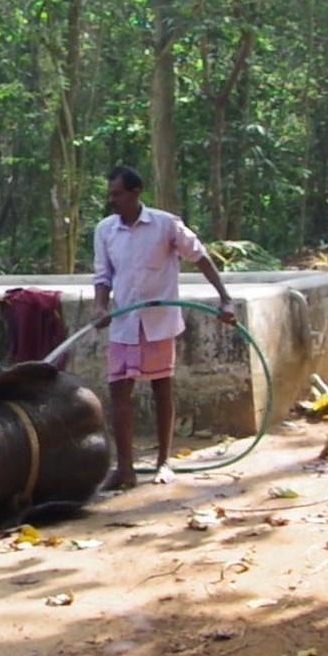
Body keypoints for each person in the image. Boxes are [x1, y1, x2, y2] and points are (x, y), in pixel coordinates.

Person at [89, 166, 236, 491]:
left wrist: (225, 299)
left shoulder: (165, 225)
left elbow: (200, 258)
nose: (112, 201)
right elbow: (103, 275)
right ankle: (125, 468)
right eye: (110, 194)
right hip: (125, 322)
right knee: (119, 391)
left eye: (118, 194)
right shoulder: (105, 230)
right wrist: (101, 307)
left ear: (136, 192)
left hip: (158, 322)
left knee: (161, 388)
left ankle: (164, 461)